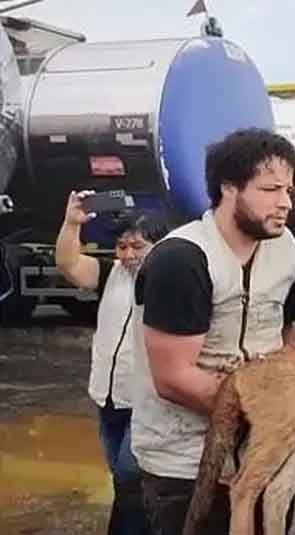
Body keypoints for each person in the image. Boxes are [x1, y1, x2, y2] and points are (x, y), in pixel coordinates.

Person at [128, 128, 295, 535]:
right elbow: (174, 378)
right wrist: (269, 414)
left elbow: (289, 331)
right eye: (269, 189)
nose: (284, 203)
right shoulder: (182, 259)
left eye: (288, 190)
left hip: (262, 454)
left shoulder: (286, 247)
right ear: (228, 187)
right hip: (185, 462)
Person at [55, 197, 169, 535]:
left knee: (130, 476)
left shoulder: (172, 279)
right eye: (122, 246)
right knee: (123, 478)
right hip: (109, 397)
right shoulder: (110, 273)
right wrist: (72, 223)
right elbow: (67, 262)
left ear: (160, 245)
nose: (129, 254)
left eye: (138, 246)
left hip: (147, 401)